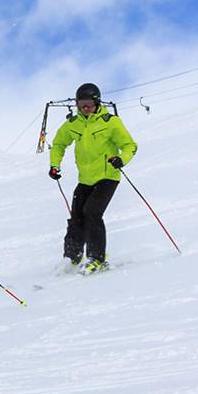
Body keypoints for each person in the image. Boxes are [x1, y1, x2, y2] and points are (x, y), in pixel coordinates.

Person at [48, 81, 137, 272]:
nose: (85, 109)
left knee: (92, 212)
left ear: (97, 102)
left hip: (107, 176)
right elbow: (58, 144)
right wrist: (54, 165)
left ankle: (97, 258)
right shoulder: (74, 124)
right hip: (85, 179)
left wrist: (122, 159)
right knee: (76, 215)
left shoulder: (110, 122)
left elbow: (130, 145)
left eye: (88, 104)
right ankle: (72, 256)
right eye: (81, 105)